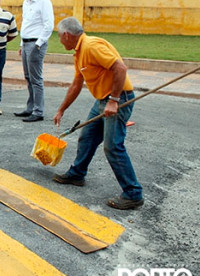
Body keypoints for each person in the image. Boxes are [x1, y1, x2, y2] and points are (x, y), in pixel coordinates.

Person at [52, 17, 143, 210]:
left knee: (113, 146)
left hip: (118, 99)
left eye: (60, 37)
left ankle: (133, 193)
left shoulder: (91, 46)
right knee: (87, 137)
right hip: (103, 100)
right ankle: (77, 173)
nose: (60, 41)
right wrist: (61, 109)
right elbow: (77, 84)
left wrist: (114, 100)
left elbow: (120, 67)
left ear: (67, 35)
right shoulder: (79, 51)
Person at [14, 0, 54, 122]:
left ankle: (38, 111)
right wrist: (21, 44)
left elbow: (48, 25)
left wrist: (38, 44)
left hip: (36, 44)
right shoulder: (26, 2)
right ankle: (30, 108)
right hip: (26, 43)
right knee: (28, 77)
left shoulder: (44, 2)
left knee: (36, 79)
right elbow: (26, 24)